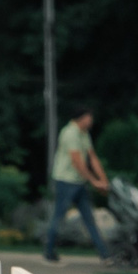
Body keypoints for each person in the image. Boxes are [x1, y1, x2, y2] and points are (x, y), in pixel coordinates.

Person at [46, 110, 113, 263]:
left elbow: (92, 157)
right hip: (66, 181)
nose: (91, 120)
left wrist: (103, 179)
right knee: (59, 216)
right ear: (81, 117)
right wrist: (93, 181)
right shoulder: (70, 133)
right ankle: (49, 250)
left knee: (89, 218)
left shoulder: (84, 134)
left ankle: (104, 254)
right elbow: (77, 161)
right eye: (89, 117)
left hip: (79, 182)